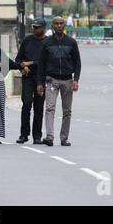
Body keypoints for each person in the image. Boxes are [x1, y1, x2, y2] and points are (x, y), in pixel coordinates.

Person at [37, 16, 81, 147]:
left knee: (67, 110)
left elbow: (77, 62)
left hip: (67, 79)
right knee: (50, 108)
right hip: (51, 79)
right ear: (53, 26)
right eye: (56, 24)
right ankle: (49, 136)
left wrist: (76, 79)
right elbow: (41, 64)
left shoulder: (71, 42)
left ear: (64, 26)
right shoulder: (47, 43)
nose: (59, 26)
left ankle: (64, 138)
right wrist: (40, 82)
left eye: (61, 24)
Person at [15, 18, 47, 144]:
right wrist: (23, 66)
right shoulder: (27, 40)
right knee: (26, 104)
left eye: (37, 27)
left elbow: (46, 62)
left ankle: (37, 136)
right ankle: (24, 134)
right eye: (33, 27)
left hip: (41, 78)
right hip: (28, 77)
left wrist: (31, 63)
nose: (35, 29)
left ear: (43, 28)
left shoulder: (47, 42)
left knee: (39, 107)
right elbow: (18, 59)